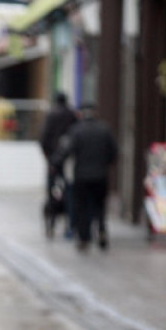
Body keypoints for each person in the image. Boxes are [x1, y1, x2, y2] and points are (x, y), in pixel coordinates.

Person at [52, 103, 117, 251]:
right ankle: (101, 231)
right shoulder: (105, 129)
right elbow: (113, 152)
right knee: (100, 206)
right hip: (101, 175)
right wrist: (105, 163)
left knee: (82, 206)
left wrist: (55, 163)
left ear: (81, 114)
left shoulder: (76, 131)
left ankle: (84, 237)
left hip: (81, 176)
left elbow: (66, 151)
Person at [39, 92, 78, 239]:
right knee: (69, 191)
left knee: (52, 192)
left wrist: (48, 157)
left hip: (53, 161)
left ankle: (51, 225)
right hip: (68, 161)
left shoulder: (51, 115)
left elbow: (44, 138)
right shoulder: (72, 115)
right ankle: (70, 226)